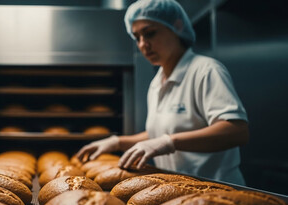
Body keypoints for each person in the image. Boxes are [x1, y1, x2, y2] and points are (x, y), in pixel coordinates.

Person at [76, 0, 249, 185]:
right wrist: (117, 142)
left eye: (150, 33)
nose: (143, 44)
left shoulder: (205, 70)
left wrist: (169, 142)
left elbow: (236, 131)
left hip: (214, 189)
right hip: (177, 189)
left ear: (177, 27)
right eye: (137, 37)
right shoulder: (157, 83)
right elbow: (159, 134)